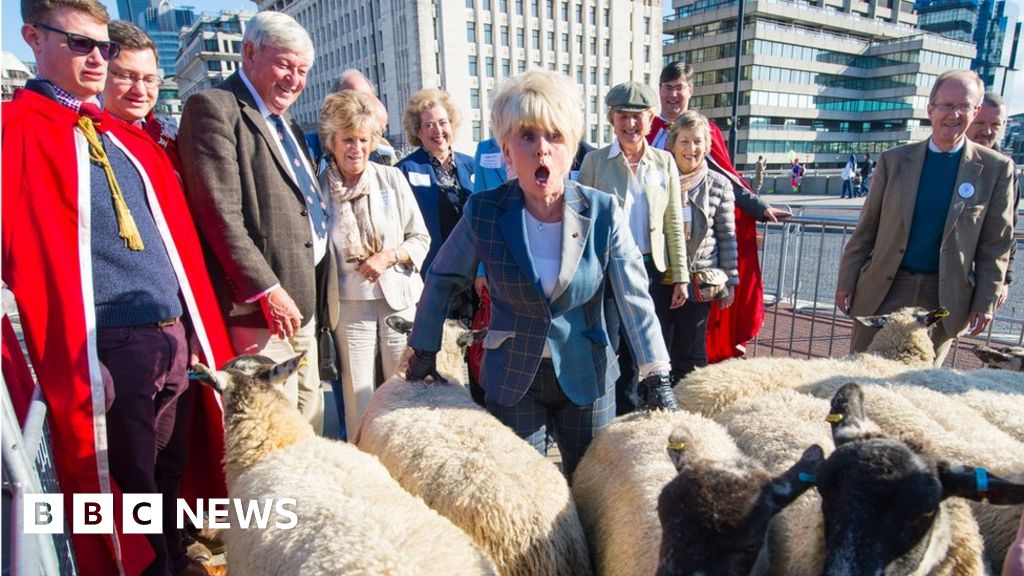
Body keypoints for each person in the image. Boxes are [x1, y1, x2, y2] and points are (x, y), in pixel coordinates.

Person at [3, 1, 233, 574]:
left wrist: (191, 331)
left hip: (171, 337)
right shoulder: (18, 133)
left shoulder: (127, 139)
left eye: (104, 47)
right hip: (112, 350)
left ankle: (175, 558)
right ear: (33, 37)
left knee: (169, 473)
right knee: (127, 487)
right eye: (80, 44)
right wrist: (79, 355)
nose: (97, 59)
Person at [404, 70, 677, 477]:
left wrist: (656, 374)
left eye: (555, 136)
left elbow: (635, 296)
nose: (542, 151)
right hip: (513, 377)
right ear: (506, 149)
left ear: (573, 148)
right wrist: (424, 349)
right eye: (527, 136)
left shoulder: (603, 212)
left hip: (587, 375)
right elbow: (442, 278)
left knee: (591, 493)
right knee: (521, 490)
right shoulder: (484, 211)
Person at [178, 11, 334, 433]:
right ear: (248, 53)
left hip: (302, 304)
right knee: (274, 429)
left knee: (308, 417)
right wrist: (266, 289)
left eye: (302, 71)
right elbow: (219, 213)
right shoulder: (213, 109)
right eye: (285, 64)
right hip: (262, 312)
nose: (294, 79)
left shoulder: (290, 127)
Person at [836, 70, 1016, 365]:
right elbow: (866, 229)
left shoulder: (996, 169)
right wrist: (847, 281)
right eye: (946, 105)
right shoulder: (894, 161)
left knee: (920, 383)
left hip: (943, 296)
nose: (954, 114)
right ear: (930, 109)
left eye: (964, 106)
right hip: (885, 287)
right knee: (860, 372)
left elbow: (995, 245)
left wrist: (985, 301)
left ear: (976, 110)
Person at [319, 90, 430, 436]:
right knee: (359, 399)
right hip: (350, 309)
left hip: (399, 301)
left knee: (406, 390)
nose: (356, 148)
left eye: (363, 140)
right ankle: (364, 468)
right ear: (332, 143)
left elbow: (420, 239)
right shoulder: (318, 189)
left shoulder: (391, 179)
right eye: (348, 139)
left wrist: (388, 256)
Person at [577, 81, 687, 415]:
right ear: (611, 119)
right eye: (623, 116)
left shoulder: (664, 162)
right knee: (611, 347)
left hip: (651, 269)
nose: (630, 124)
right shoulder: (595, 163)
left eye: (638, 116)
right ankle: (611, 417)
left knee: (651, 350)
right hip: (609, 272)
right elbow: (580, 225)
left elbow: (673, 222)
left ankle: (642, 417)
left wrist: (680, 274)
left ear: (651, 120)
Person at [663, 111, 739, 379]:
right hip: (663, 279)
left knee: (692, 351)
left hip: (699, 283)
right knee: (661, 350)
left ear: (707, 146)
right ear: (672, 144)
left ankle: (688, 407)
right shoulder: (659, 178)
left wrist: (730, 281)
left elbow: (727, 237)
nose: (691, 149)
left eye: (697, 142)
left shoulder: (720, 185)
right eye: (684, 141)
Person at [967, 92, 1019, 309]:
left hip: (969, 273)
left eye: (995, 124)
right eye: (980, 122)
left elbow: (1006, 230)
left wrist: (1004, 278)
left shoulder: (1005, 168)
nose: (986, 131)